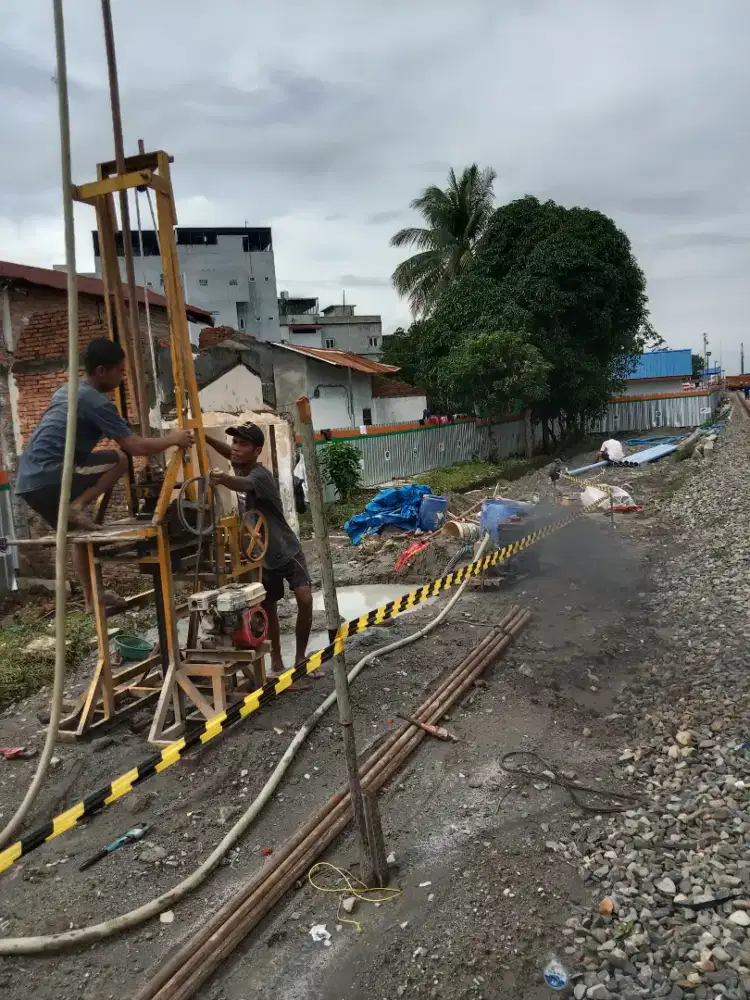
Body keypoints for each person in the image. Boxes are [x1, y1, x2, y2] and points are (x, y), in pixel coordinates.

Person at [14, 338, 194, 613]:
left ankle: (90, 599)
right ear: (100, 371)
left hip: (28, 481)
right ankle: (78, 505)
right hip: (52, 475)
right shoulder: (95, 402)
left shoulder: (67, 390)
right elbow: (134, 446)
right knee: (120, 459)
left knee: (77, 534)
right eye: (119, 372)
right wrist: (174, 439)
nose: (122, 378)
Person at [206, 423, 313, 677]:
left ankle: (300, 658)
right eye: (235, 443)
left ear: (257, 451)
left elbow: (239, 484)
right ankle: (276, 662)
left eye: (243, 445)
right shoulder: (240, 462)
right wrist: (207, 439)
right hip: (261, 555)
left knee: (305, 599)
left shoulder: (259, 476)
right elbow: (229, 454)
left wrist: (221, 479)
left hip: (286, 549)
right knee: (269, 608)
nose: (236, 449)